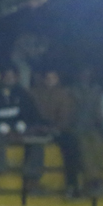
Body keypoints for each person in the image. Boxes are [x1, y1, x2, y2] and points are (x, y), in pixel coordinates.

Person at [0, 67, 46, 195]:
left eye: (12, 76)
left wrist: (22, 127)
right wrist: (4, 129)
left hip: (20, 130)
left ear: (17, 77)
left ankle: (32, 180)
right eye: (6, 76)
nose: (9, 79)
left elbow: (31, 115)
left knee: (37, 141)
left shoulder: (23, 94)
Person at [31, 69, 81, 197]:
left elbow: (66, 117)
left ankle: (72, 185)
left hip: (58, 130)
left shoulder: (64, 94)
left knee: (72, 144)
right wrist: (40, 127)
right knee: (32, 144)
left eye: (53, 78)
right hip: (38, 130)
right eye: (48, 78)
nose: (50, 80)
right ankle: (32, 183)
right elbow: (30, 113)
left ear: (58, 79)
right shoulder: (34, 93)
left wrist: (55, 128)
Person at [72, 67, 103, 196]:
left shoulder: (96, 90)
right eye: (83, 73)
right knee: (85, 147)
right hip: (75, 127)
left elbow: (98, 111)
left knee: (99, 146)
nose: (85, 76)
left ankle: (93, 180)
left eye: (88, 74)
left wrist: (100, 123)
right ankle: (94, 180)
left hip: (92, 127)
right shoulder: (72, 90)